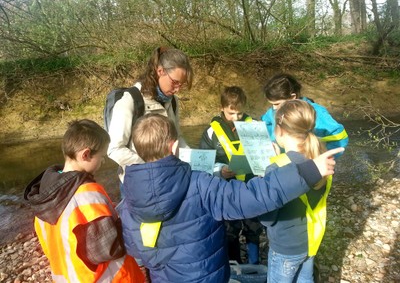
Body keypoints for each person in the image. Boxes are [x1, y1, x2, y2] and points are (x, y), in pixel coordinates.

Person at [118, 113, 344, 283]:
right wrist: (308, 171)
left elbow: (136, 253)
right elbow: (253, 197)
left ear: (137, 149)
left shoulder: (127, 200)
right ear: (175, 146)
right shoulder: (199, 184)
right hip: (208, 277)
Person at [24, 119, 144, 283]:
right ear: (85, 154)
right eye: (101, 156)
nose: (102, 162)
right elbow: (107, 249)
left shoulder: (45, 192)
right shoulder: (88, 193)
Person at [259, 100, 334, 282]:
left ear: (280, 130)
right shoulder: (321, 158)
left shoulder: (276, 168)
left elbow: (267, 219)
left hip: (285, 246)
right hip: (310, 241)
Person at [107, 46, 193, 191]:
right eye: (175, 82)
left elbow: (177, 137)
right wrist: (150, 166)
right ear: (160, 71)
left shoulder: (172, 101)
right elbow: (114, 149)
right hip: (137, 183)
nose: (178, 89)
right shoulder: (129, 101)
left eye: (182, 84)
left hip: (166, 179)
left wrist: (194, 160)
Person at [199, 86, 263, 264]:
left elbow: (264, 156)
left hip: (252, 186)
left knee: (254, 226)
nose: (236, 118)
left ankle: (254, 263)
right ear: (222, 108)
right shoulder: (210, 133)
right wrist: (220, 170)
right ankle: (235, 265)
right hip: (226, 189)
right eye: (231, 113)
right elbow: (203, 165)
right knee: (230, 229)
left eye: (240, 114)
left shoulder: (254, 127)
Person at [261, 73, 348, 155]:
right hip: (286, 161)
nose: (275, 108)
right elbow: (264, 124)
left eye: (277, 104)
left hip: (312, 163)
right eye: (272, 104)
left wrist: (325, 158)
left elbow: (339, 136)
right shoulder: (274, 111)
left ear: (292, 97)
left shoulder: (314, 112)